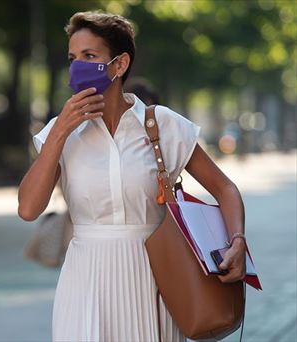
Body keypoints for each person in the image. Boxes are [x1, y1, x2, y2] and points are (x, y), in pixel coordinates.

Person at [18, 11, 247, 341]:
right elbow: (28, 209)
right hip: (84, 282)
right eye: (72, 58)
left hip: (154, 278)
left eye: (89, 56)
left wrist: (237, 241)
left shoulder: (163, 124)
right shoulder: (62, 129)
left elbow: (224, 187)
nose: (77, 66)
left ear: (119, 64)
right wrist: (59, 134)